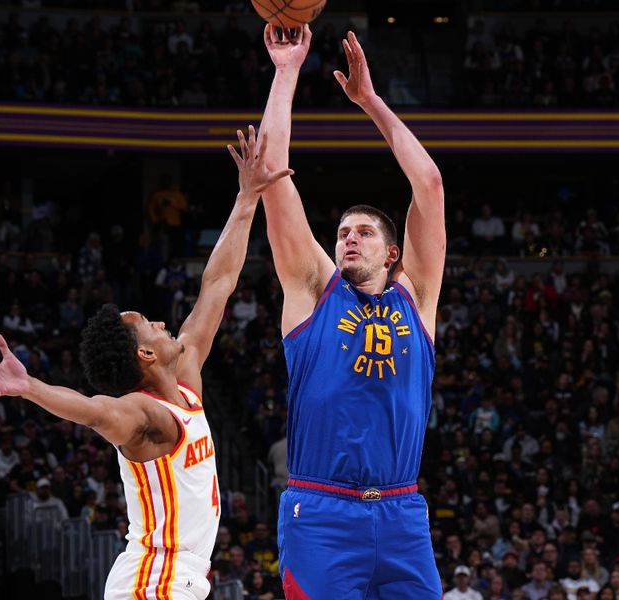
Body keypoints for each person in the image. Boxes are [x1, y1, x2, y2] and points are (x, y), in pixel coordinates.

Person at [0, 129, 292, 600]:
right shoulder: (142, 414)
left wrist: (246, 198)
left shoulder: (187, 377)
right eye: (150, 324)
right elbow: (95, 410)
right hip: (153, 581)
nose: (162, 321)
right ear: (145, 354)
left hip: (177, 578)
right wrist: (30, 386)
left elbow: (217, 283)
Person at [258, 25, 445, 598]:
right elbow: (270, 176)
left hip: (402, 513)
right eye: (342, 232)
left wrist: (370, 102)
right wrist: (286, 72)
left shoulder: (417, 296)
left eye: (363, 232)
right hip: (321, 511)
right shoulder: (316, 289)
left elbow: (430, 183)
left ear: (393, 252)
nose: (348, 239)